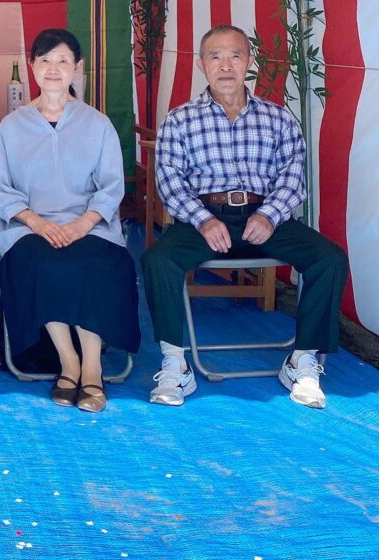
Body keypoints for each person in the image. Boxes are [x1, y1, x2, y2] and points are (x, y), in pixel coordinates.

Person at [143, 24, 349, 409]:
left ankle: (302, 360)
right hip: (203, 219)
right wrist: (203, 219)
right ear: (202, 65)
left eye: (235, 55)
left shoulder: (279, 118)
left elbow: (293, 177)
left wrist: (270, 215)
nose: (225, 66)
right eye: (215, 57)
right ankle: (175, 363)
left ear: (249, 62)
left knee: (329, 259)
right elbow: (169, 182)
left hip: (263, 217)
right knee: (158, 259)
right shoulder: (180, 119)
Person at [0, 27, 139, 413]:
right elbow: (0, 188)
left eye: (63, 61)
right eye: (45, 60)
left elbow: (110, 187)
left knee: (95, 264)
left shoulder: (97, 123)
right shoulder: (12, 125)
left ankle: (91, 367)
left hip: (91, 225)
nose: (53, 69)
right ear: (33, 66)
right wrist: (37, 223)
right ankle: (67, 361)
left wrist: (80, 225)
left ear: (77, 68)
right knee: (41, 263)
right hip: (29, 228)